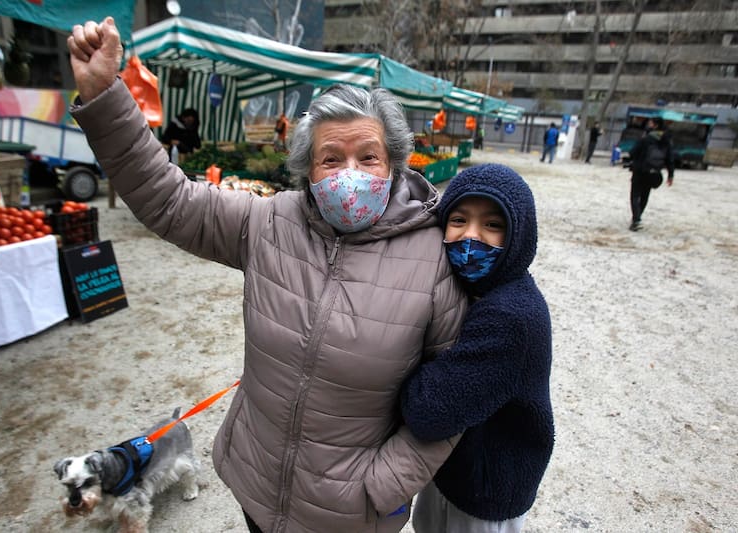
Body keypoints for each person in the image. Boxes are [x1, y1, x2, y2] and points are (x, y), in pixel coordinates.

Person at [67, 17, 467, 533]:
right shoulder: (271, 222)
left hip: (350, 515)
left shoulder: (435, 258)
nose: (350, 174)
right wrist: (104, 97)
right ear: (307, 171)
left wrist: (384, 484)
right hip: (256, 484)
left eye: (368, 157)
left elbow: (458, 393)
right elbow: (168, 199)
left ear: (393, 164)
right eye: (331, 158)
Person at [400, 163, 554, 533]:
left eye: (493, 224)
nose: (471, 236)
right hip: (457, 473)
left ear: (519, 234)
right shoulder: (479, 290)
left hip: (484, 494)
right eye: (459, 220)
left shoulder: (511, 318)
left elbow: (429, 411)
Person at [627, 117, 674, 231]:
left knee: (635, 195)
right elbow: (670, 159)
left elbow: (633, 152)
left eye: (650, 123)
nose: (648, 125)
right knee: (645, 195)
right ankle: (637, 218)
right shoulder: (666, 140)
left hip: (640, 170)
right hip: (655, 172)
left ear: (655, 125)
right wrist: (670, 175)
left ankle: (636, 219)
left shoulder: (646, 139)